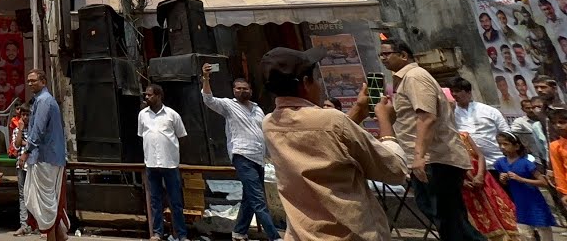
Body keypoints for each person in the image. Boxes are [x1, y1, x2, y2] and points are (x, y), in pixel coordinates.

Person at [260, 46, 407, 241]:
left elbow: (325, 140)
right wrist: (385, 121)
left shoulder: (270, 124)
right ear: (305, 83)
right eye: (316, 79)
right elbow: (395, 169)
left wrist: (357, 111)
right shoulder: (332, 120)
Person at [380, 39, 486, 241]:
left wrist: (419, 156)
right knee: (442, 217)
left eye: (387, 53)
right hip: (427, 159)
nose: (384, 58)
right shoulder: (403, 80)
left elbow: (427, 117)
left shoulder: (414, 77)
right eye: (381, 55)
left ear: (403, 55)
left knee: (450, 222)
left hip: (435, 159)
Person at [200, 64, 279, 241]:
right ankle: (275, 237)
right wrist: (206, 78)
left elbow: (263, 134)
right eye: (238, 88)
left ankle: (239, 231)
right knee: (259, 199)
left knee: (249, 197)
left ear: (250, 90)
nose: (242, 91)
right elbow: (208, 99)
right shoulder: (228, 105)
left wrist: (271, 157)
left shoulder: (258, 109)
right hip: (242, 155)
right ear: (233, 90)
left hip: (258, 158)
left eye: (245, 88)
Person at [20, 70, 67, 241]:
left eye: (33, 80)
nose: (30, 83)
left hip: (45, 158)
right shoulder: (43, 100)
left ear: (43, 81)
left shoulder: (44, 101)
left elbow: (37, 131)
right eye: (28, 81)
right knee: (46, 201)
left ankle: (53, 237)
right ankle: (59, 235)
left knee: (45, 203)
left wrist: (26, 152)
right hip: (50, 157)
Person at [139, 84, 187, 241]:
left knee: (176, 202)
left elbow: (181, 135)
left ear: (159, 96)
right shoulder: (142, 115)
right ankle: (157, 233)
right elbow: (142, 135)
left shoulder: (172, 115)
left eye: (150, 95)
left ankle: (181, 234)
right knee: (155, 201)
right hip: (151, 163)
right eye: (146, 95)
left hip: (170, 164)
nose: (147, 97)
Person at [493, 131, 557, 239]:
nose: (502, 147)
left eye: (506, 144)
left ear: (516, 146)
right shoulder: (500, 163)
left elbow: (543, 182)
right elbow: (505, 184)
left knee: (543, 230)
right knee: (524, 233)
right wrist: (503, 179)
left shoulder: (526, 163)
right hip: (519, 203)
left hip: (534, 201)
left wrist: (521, 179)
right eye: (500, 144)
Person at [457, 131, 518, 241]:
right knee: (478, 216)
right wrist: (461, 181)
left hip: (483, 178)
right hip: (464, 183)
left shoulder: (463, 136)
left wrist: (480, 175)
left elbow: (480, 156)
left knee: (499, 208)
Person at [451, 77, 512, 171]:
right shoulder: (451, 114)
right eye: (452, 91)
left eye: (458, 91)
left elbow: (506, 134)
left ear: (468, 92)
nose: (454, 94)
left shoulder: (489, 111)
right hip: (471, 167)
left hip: (497, 162)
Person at [10, 105, 34, 237]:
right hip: (21, 165)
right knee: (22, 195)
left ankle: (36, 224)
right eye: (23, 115)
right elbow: (18, 144)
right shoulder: (17, 130)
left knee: (34, 193)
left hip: (32, 165)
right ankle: (24, 225)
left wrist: (27, 143)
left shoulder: (34, 130)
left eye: (27, 115)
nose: (25, 117)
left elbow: (33, 144)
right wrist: (20, 130)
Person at [512, 98, 550, 164]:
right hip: (534, 157)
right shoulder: (520, 122)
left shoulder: (547, 120)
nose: (531, 110)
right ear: (523, 109)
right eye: (528, 108)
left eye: (539, 107)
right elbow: (514, 135)